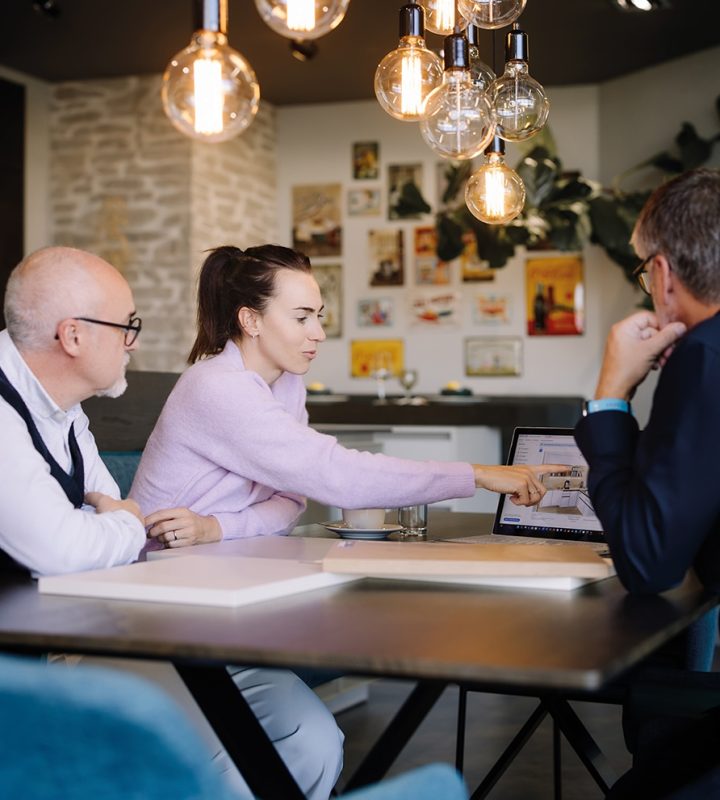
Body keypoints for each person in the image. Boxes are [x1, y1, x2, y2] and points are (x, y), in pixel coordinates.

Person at [129, 243, 564, 800]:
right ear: (251, 319)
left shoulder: (284, 385)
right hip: (158, 614)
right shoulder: (216, 387)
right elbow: (334, 477)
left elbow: (291, 500)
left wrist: (217, 527)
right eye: (303, 317)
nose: (318, 333)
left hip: (222, 592)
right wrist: (476, 473)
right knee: (274, 746)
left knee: (314, 742)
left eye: (320, 318)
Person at [574, 168, 720, 797]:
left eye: (642, 272)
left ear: (662, 274)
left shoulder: (706, 356)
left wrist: (610, 396)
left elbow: (647, 560)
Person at [0, 246, 146, 575]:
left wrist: (106, 523)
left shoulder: (67, 407)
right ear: (73, 336)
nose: (133, 343)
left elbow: (105, 505)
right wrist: (128, 524)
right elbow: (60, 552)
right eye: (126, 326)